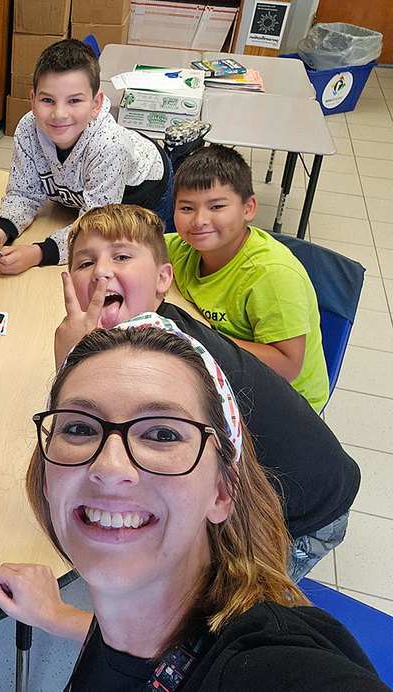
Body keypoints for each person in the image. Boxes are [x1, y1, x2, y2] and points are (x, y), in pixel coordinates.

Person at [0, 324, 385, 690]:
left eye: (163, 434)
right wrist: (55, 615)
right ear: (46, 478)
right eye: (78, 428)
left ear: (222, 492)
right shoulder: (132, 631)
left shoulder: (267, 662)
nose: (109, 467)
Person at [55, 204, 357, 581]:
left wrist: (67, 359)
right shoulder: (148, 330)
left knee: (207, 613)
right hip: (260, 480)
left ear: (163, 279)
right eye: (85, 263)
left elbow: (74, 444)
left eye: (121, 256)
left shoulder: (165, 365)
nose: (101, 271)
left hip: (305, 512)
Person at [0, 38, 173, 275]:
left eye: (74, 100)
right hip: (84, 198)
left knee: (146, 265)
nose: (59, 113)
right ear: (33, 101)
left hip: (147, 191)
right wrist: (0, 231)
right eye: (47, 100)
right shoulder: (27, 128)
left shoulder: (110, 146)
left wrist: (38, 253)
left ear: (96, 104)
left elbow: (98, 229)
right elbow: (24, 192)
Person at [168, 144, 328, 412]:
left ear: (248, 208)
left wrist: (197, 336)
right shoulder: (182, 248)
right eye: (186, 208)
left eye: (216, 206)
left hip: (283, 401)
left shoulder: (271, 275)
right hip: (220, 375)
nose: (199, 220)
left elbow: (288, 365)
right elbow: (134, 244)